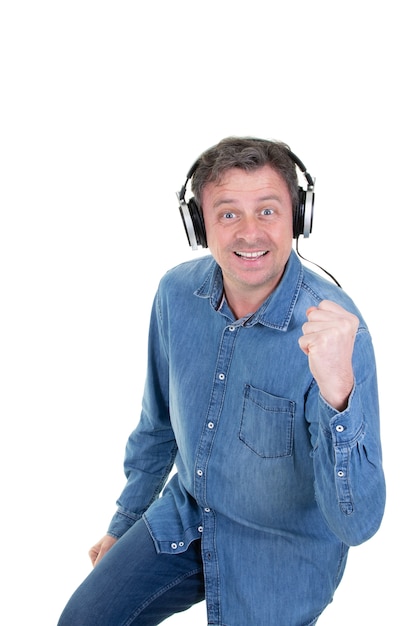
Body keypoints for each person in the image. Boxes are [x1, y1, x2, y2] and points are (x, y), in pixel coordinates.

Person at [58, 137, 386, 626]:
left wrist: (338, 390)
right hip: (188, 513)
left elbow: (356, 524)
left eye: (268, 211)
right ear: (199, 225)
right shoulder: (176, 293)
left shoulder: (338, 331)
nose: (249, 233)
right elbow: (158, 428)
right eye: (228, 213)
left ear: (298, 217)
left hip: (280, 548)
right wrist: (123, 526)